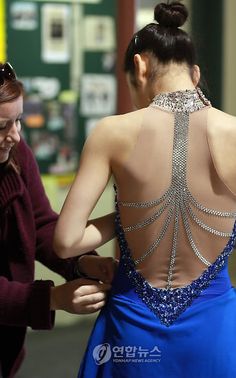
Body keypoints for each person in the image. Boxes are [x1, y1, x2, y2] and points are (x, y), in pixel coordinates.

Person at [54, 1, 236, 377]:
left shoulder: (111, 132)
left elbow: (68, 242)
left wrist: (131, 214)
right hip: (216, 330)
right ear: (196, 73)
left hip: (132, 331)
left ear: (139, 67)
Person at [0, 62, 116, 378]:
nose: (14, 136)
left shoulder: (17, 154)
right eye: (2, 126)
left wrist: (82, 262)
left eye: (19, 121)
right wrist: (52, 298)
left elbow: (39, 225)